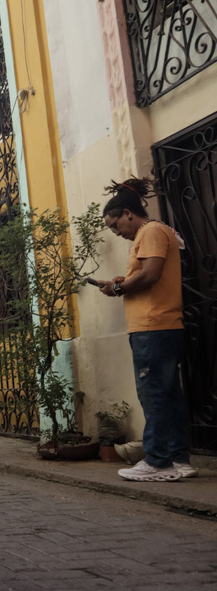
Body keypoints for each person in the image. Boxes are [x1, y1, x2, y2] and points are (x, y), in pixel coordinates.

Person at [93, 177, 195, 482]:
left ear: (128, 212)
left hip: (152, 327)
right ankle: (179, 459)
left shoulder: (149, 231)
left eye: (115, 226)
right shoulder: (157, 232)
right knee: (169, 394)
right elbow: (146, 276)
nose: (117, 232)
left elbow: (150, 274)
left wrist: (119, 288)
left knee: (153, 394)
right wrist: (119, 282)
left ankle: (157, 461)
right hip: (162, 325)